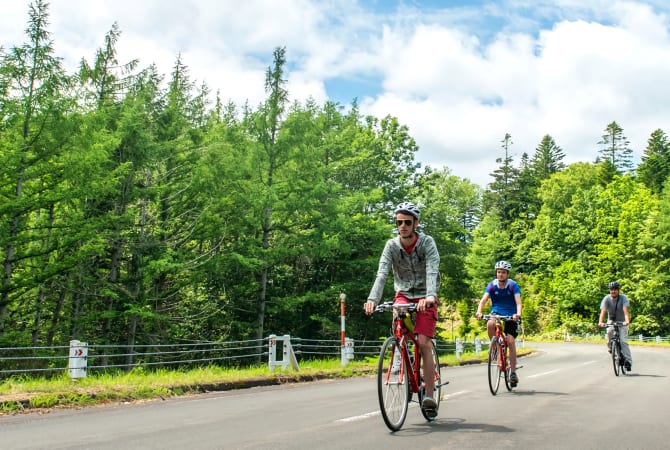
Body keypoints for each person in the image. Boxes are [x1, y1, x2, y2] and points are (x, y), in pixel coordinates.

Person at [364, 201, 441, 412]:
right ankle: (399, 352)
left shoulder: (427, 243)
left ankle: (430, 395)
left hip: (426, 295)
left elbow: (432, 270)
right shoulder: (391, 246)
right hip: (404, 295)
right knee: (397, 315)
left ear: (415, 223)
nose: (403, 226)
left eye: (407, 222)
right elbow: (382, 274)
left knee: (424, 343)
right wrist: (373, 299)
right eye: (399, 222)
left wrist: (431, 296)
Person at [475, 260, 522, 387]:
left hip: (511, 314)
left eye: (503, 272)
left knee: (511, 341)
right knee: (490, 324)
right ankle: (495, 345)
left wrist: (517, 314)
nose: (500, 275)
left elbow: (518, 302)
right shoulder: (492, 285)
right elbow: (483, 300)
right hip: (496, 311)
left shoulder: (513, 285)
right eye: (499, 272)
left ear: (507, 274)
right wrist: (479, 312)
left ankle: (513, 372)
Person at [598, 281, 632, 370]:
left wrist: (627, 321)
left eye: (615, 289)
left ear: (618, 290)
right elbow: (603, 312)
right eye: (611, 290)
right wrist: (601, 322)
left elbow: (625, 311)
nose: (613, 291)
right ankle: (610, 346)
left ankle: (628, 361)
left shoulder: (623, 298)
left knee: (623, 341)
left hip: (622, 322)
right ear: (609, 290)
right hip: (612, 321)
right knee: (609, 331)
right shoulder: (606, 299)